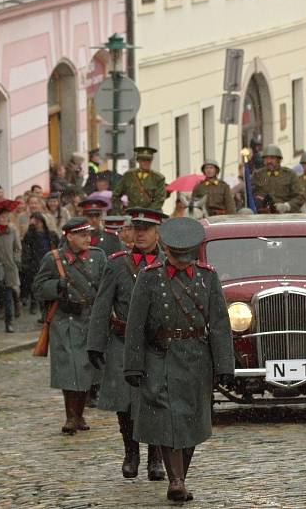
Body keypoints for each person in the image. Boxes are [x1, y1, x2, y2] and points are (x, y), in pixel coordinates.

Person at [123, 217, 234, 502]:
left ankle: (180, 474)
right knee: (168, 416)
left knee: (192, 420)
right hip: (161, 355)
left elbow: (220, 323)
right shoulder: (150, 277)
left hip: (197, 356)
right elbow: (135, 324)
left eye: (188, 257)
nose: (183, 262)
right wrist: (133, 364)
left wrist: (225, 365)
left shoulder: (208, 277)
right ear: (167, 250)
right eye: (177, 256)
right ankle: (176, 481)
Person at [87, 207, 168, 481]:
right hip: (122, 342)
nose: (141, 234)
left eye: (147, 229)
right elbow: (102, 305)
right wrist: (95, 344)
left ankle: (155, 457)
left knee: (155, 399)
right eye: (137, 228)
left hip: (155, 344)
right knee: (125, 402)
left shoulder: (167, 264)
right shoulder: (117, 263)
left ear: (158, 233)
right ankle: (131, 453)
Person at [33, 217, 107, 434]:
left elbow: (106, 284)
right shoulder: (54, 258)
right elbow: (38, 287)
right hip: (65, 320)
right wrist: (56, 285)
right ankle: (71, 417)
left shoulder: (97, 256)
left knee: (87, 369)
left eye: (88, 235)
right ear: (69, 236)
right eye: (82, 235)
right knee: (69, 369)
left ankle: (80, 414)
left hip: (90, 318)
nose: (87, 239)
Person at [21, 212, 59, 317]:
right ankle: (37, 305)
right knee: (36, 285)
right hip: (35, 263)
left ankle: (45, 311)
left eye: (38, 221)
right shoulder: (30, 235)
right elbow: (26, 249)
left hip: (49, 262)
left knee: (48, 287)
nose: (37, 224)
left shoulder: (50, 235)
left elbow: (57, 246)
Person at [251, 144, 304, 213]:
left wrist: (287, 206)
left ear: (279, 160)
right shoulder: (257, 175)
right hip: (263, 215)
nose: (269, 161)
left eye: (272, 158)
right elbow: (250, 195)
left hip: (286, 215)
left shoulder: (290, 174)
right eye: (266, 158)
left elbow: (300, 197)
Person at [112, 147, 167, 212]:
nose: (146, 162)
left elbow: (160, 199)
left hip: (152, 215)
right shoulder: (128, 175)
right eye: (143, 160)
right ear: (138, 160)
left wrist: (148, 213)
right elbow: (116, 195)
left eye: (149, 160)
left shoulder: (159, 178)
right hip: (132, 214)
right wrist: (120, 211)